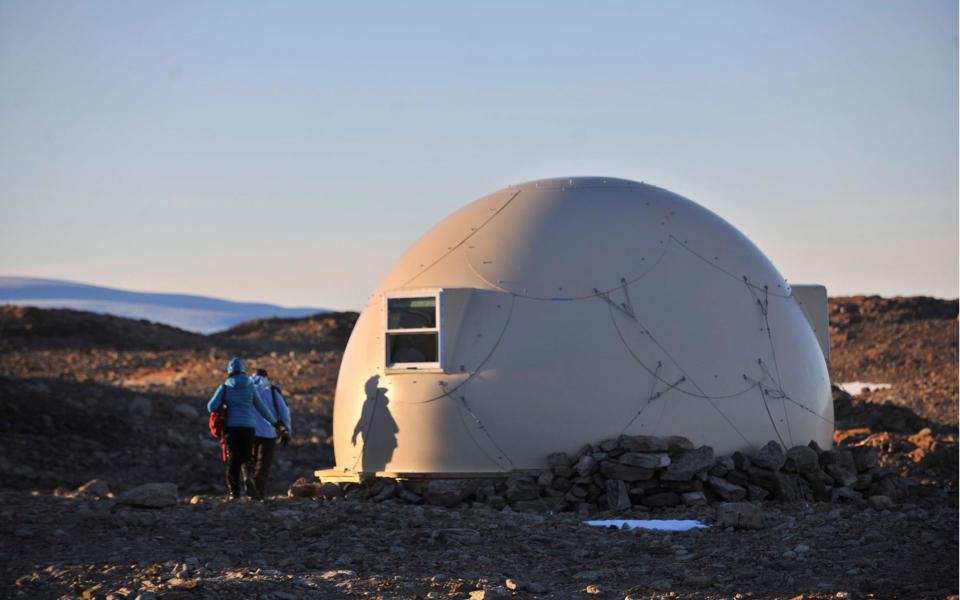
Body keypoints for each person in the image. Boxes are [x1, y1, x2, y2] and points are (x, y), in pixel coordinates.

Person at [207, 357, 289, 500]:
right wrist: (275, 424)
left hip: (231, 430)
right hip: (249, 429)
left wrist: (225, 403)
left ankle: (234, 494)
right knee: (246, 459)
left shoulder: (224, 388)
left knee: (233, 462)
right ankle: (248, 484)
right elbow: (262, 408)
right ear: (243, 372)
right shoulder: (250, 388)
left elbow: (211, 407)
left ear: (229, 372)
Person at [248, 368, 292, 501]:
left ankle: (248, 494)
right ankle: (258, 495)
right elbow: (283, 411)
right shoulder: (272, 390)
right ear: (266, 377)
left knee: (249, 464)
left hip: (247, 432)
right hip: (268, 433)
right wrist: (286, 430)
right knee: (262, 465)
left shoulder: (245, 389)